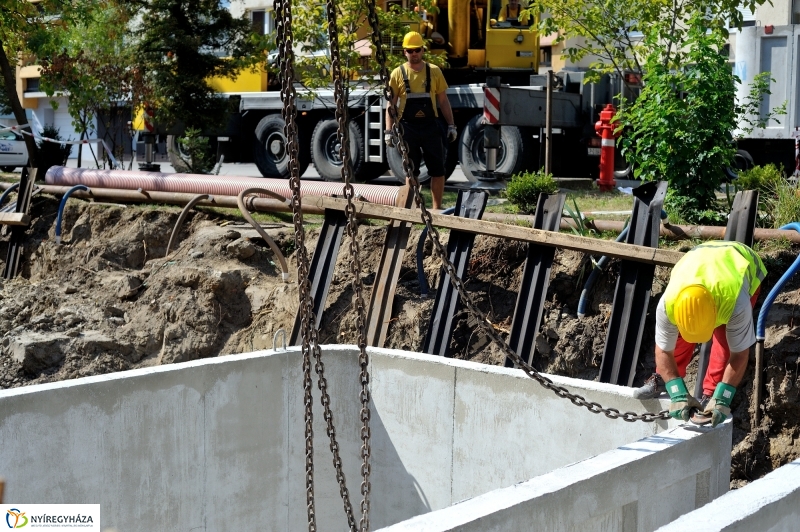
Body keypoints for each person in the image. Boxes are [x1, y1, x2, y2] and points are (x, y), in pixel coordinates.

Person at [635, 241, 766, 427]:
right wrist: (677, 392)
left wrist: (724, 397)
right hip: (700, 260)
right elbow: (663, 351)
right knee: (676, 338)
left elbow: (739, 354)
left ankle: (712, 393)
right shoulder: (668, 305)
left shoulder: (735, 303)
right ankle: (665, 381)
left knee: (725, 341)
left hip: (741, 262)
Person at [385, 31, 456, 210]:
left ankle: (436, 209)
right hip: (407, 129)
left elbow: (443, 101)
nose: (414, 53)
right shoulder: (397, 73)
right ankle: (413, 210)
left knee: (438, 171)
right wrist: (388, 132)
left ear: (423, 50)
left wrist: (451, 125)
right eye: (410, 50)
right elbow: (390, 106)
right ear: (405, 52)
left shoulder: (434, 71)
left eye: (417, 49)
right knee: (411, 171)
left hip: (431, 127)